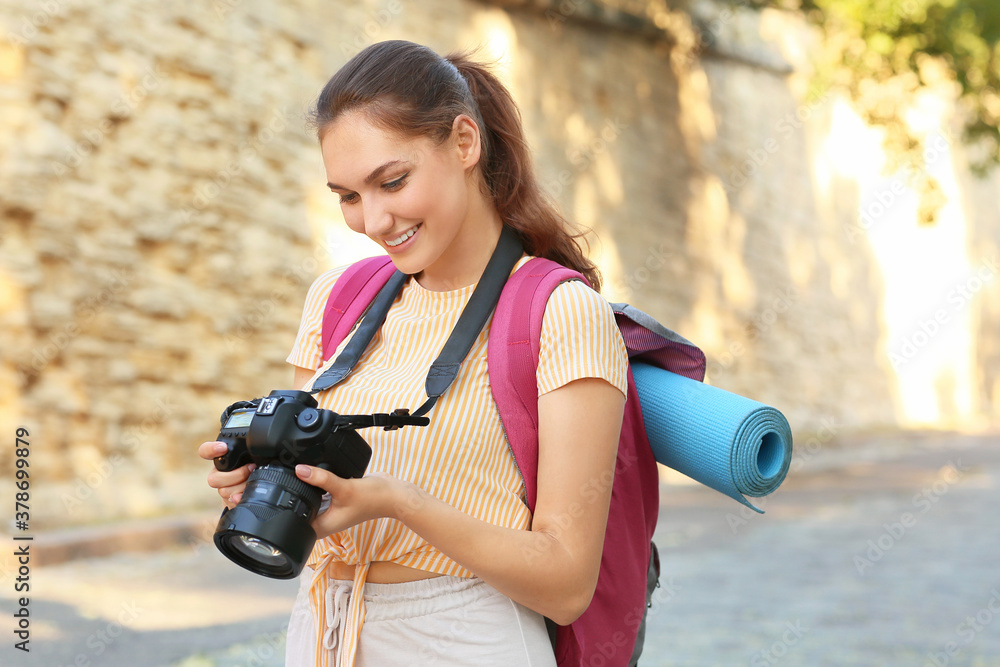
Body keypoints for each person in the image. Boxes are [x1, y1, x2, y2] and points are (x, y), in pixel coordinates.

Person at [198, 39, 629, 667]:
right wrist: (261, 481)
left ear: (463, 143)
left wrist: (398, 501)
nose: (372, 220)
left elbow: (566, 584)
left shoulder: (561, 313)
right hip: (322, 633)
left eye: (391, 181)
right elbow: (314, 501)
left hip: (466, 641)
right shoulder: (336, 301)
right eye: (346, 195)